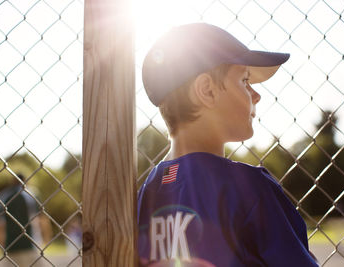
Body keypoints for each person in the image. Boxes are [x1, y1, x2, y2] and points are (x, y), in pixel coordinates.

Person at [137, 23, 319, 266]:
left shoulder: (146, 193)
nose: (257, 95)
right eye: (245, 81)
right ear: (207, 91)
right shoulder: (250, 188)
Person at [0, 173, 51, 267]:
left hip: (11, 246)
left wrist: (0, 245)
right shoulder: (31, 193)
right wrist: (46, 238)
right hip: (31, 244)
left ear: (12, 182)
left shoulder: (4, 196)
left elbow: (0, 224)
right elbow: (43, 219)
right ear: (25, 181)